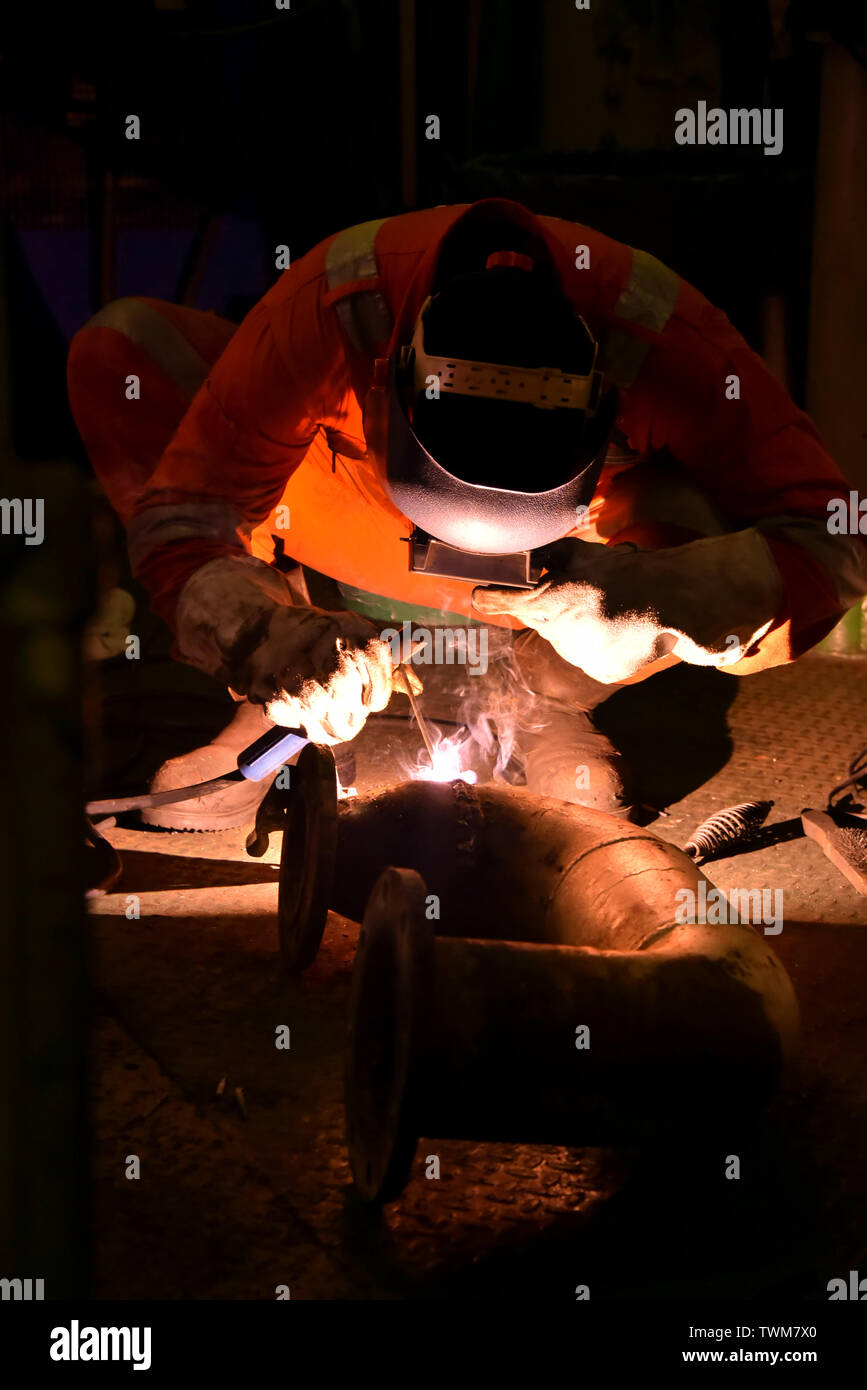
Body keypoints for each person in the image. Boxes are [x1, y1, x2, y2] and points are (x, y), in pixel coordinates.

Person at [68, 198, 867, 828]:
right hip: (351, 524)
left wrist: (662, 604)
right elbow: (183, 519)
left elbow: (833, 536)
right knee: (129, 351)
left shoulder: (662, 337)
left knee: (699, 515)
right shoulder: (340, 302)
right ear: (397, 383)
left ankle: (544, 700)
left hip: (561, 583)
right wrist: (261, 635)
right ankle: (288, 696)